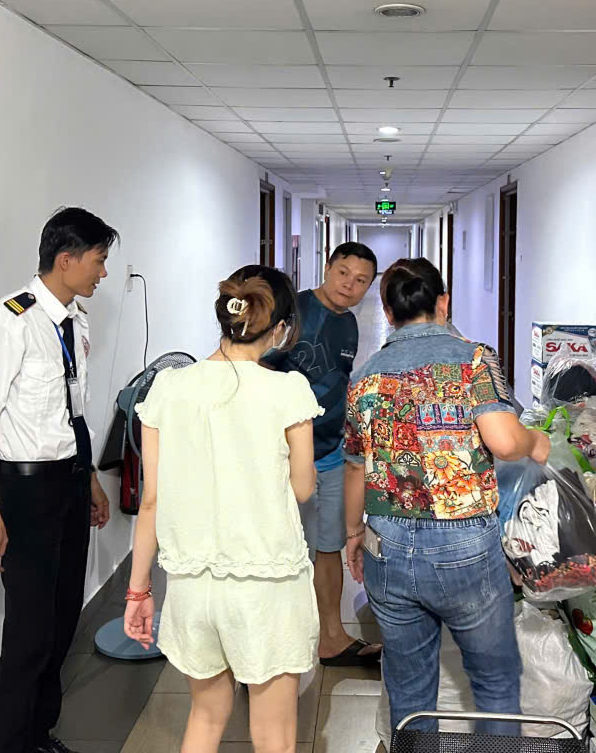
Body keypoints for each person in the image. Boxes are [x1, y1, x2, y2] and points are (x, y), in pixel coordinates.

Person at [343, 258, 551, 737]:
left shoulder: (365, 376)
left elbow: (355, 468)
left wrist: (353, 534)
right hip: (464, 547)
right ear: (444, 302)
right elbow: (504, 442)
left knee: (409, 690)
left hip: (386, 546)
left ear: (388, 313)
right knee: (494, 681)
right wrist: (535, 441)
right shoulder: (474, 359)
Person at [123, 266, 323, 753]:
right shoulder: (288, 389)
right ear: (280, 328)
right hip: (266, 586)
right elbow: (302, 489)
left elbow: (152, 499)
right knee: (274, 735)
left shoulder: (168, 387)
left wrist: (138, 590)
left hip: (193, 587)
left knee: (206, 716)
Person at [0, 207, 117, 753]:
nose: (103, 272)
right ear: (66, 259)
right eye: (98, 261)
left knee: (62, 620)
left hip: (68, 482)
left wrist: (89, 479)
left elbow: (72, 412)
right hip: (25, 493)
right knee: (28, 635)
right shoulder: (7, 322)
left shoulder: (75, 320)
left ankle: (38, 735)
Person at [262, 242, 382, 667]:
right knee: (278, 549)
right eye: (343, 273)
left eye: (361, 280)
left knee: (328, 548)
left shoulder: (348, 323)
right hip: (282, 454)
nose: (349, 285)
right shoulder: (292, 311)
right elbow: (260, 370)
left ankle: (331, 637)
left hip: (331, 451)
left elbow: (339, 380)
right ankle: (267, 646)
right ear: (327, 267)